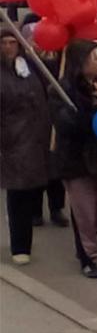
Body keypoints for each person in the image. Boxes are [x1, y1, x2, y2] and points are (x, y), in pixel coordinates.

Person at [49, 40, 97, 278]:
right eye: (96, 58)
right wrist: (90, 114)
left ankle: (85, 237)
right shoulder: (62, 89)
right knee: (84, 210)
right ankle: (88, 256)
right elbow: (65, 124)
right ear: (80, 61)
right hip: (76, 158)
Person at [0, 27, 52, 264]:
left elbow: (49, 90)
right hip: (12, 141)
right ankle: (19, 246)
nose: (9, 46)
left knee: (31, 192)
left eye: (13, 42)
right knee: (17, 191)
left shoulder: (30, 67)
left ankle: (24, 240)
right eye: (5, 42)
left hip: (36, 138)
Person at [19, 14, 69, 228]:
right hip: (31, 124)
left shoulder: (59, 61)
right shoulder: (23, 64)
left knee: (55, 170)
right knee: (36, 170)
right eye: (33, 39)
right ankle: (35, 211)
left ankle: (56, 208)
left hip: (55, 122)